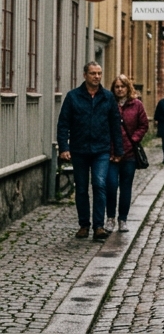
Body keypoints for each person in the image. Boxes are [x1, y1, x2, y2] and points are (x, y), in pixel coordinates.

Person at [56, 62, 124, 241]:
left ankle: (99, 226)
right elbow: (63, 123)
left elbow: (115, 125)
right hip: (79, 149)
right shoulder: (73, 97)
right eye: (93, 73)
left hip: (101, 149)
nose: (97, 77)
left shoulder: (107, 97)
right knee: (81, 188)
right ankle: (84, 225)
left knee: (99, 184)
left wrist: (118, 150)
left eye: (99, 73)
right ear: (85, 75)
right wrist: (64, 147)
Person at [104, 75, 148, 233]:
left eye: (122, 86)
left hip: (129, 155)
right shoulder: (108, 104)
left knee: (125, 187)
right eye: (117, 87)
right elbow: (104, 126)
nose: (120, 89)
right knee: (110, 185)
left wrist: (133, 141)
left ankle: (122, 219)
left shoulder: (136, 105)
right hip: (112, 154)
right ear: (113, 89)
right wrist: (110, 148)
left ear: (128, 88)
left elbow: (143, 125)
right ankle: (110, 218)